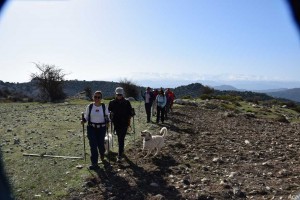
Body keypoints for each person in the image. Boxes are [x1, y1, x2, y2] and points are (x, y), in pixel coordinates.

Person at [81, 90, 110, 170]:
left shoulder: (104, 106)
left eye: (98, 97)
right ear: (93, 97)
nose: (96, 98)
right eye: (95, 97)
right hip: (91, 128)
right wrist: (83, 120)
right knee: (93, 145)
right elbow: (86, 117)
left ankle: (102, 154)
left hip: (102, 128)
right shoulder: (89, 106)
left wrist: (108, 121)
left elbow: (107, 116)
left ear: (101, 98)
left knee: (101, 144)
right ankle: (94, 163)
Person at [108, 87, 134, 162]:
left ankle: (119, 154)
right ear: (115, 94)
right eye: (118, 94)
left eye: (120, 94)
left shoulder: (127, 102)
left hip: (124, 123)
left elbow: (130, 112)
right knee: (120, 138)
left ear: (123, 94)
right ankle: (121, 150)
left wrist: (132, 113)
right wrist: (110, 116)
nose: (119, 96)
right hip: (116, 123)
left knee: (121, 138)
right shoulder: (112, 102)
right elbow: (109, 111)